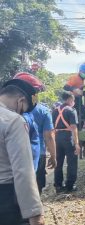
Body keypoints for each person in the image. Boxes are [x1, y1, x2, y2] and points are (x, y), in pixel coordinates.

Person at [0, 78, 45, 225]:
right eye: (22, 109)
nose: (20, 113)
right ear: (20, 101)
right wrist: (35, 213)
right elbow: (23, 170)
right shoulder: (13, 121)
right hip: (6, 198)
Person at [13, 72, 57, 193]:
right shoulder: (43, 111)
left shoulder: (7, 110)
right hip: (38, 154)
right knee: (36, 188)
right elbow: (49, 137)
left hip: (15, 156)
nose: (36, 95)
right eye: (35, 92)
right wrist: (53, 156)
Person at [53, 91, 80, 193]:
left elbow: (52, 127)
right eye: (73, 100)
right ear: (69, 99)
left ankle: (58, 185)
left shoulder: (55, 111)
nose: (73, 102)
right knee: (72, 162)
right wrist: (77, 143)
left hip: (57, 137)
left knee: (58, 162)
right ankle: (70, 185)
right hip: (68, 138)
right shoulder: (71, 110)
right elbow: (74, 128)